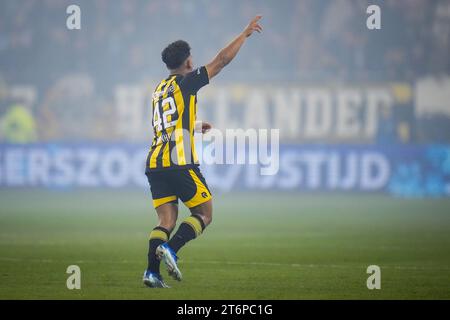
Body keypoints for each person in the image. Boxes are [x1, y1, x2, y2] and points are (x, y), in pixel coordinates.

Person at [143, 16, 263, 288]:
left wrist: (193, 126)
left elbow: (163, 124)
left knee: (165, 220)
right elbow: (221, 61)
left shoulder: (159, 90)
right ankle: (171, 250)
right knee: (205, 213)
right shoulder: (187, 82)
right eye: (192, 57)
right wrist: (244, 34)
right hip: (179, 163)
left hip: (155, 162)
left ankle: (152, 273)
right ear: (187, 61)